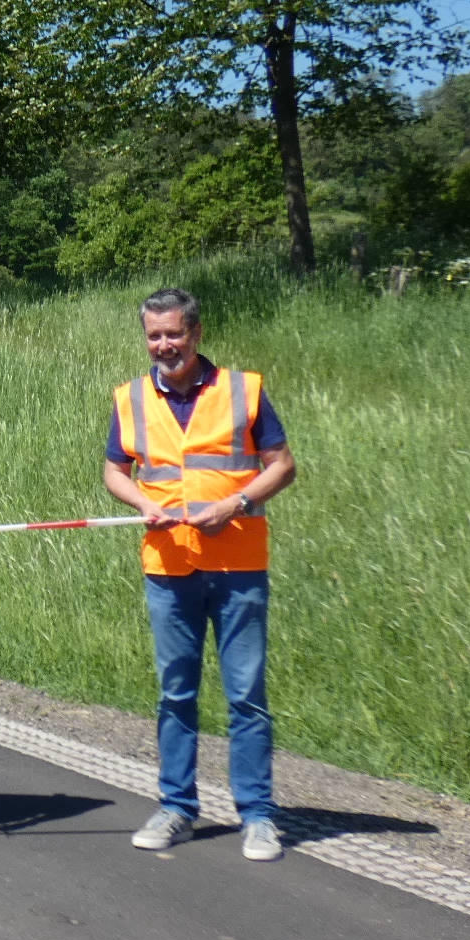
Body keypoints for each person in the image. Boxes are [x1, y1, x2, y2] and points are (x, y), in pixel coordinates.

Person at [103, 287, 297, 862]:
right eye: (154, 335)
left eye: (174, 334)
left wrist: (234, 504)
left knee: (246, 696)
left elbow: (282, 466)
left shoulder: (244, 390)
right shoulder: (131, 398)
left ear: (196, 333)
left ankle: (258, 816)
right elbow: (115, 471)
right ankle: (176, 808)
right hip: (168, 565)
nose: (164, 345)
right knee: (175, 692)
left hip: (237, 563)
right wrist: (141, 503)